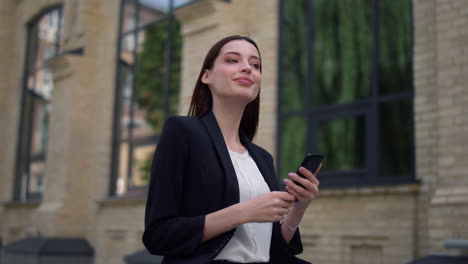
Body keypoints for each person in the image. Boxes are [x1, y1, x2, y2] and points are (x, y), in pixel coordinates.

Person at [142, 35, 321, 264]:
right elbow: (158, 235)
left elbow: (272, 248)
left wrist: (298, 208)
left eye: (255, 65)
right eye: (233, 60)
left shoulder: (262, 158)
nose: (247, 68)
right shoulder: (183, 131)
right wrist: (243, 212)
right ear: (206, 76)